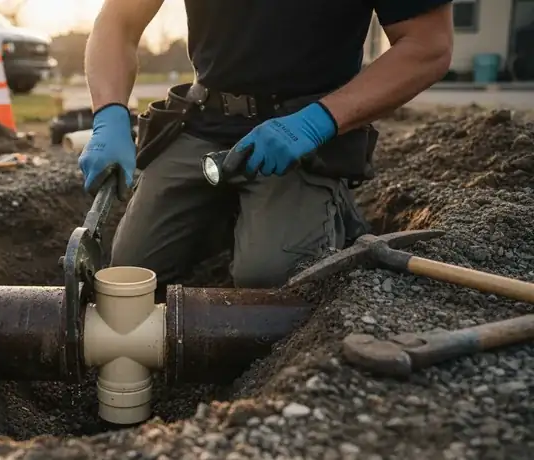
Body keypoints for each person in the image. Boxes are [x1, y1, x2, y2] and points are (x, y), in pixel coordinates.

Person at [79, 0, 454, 293]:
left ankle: (331, 212)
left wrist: (315, 123)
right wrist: (109, 116)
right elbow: (118, 22)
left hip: (302, 134)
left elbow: (428, 44)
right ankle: (231, 222)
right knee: (129, 271)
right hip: (202, 121)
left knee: (270, 278)